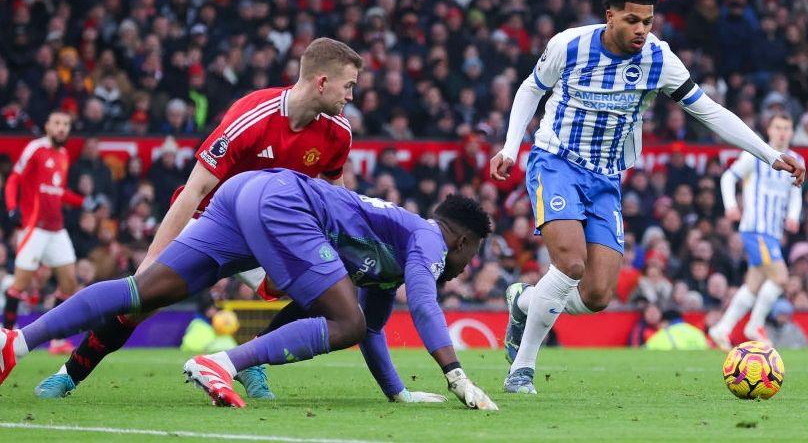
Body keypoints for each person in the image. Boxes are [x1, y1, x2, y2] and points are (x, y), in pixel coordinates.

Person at [489, 0, 804, 394]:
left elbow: (709, 111)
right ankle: (522, 370)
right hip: (556, 161)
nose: (641, 30)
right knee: (570, 262)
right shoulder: (569, 44)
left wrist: (769, 154)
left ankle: (524, 302)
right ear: (610, 16)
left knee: (598, 294)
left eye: (648, 22)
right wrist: (511, 147)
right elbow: (531, 89)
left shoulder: (659, 59)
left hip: (605, 177)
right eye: (632, 21)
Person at [1, 169, 498, 411]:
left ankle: (15, 341)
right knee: (341, 319)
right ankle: (225, 363)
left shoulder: (399, 249)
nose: (459, 270)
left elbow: (372, 328)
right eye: (468, 257)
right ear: (462, 240)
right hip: (284, 202)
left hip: (244, 194)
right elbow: (426, 302)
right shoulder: (430, 237)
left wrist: (398, 392)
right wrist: (455, 374)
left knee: (141, 291)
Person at [34, 38, 361, 400]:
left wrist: (343, 249)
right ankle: (68, 373)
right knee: (142, 301)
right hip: (212, 222)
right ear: (320, 82)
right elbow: (194, 190)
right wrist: (152, 261)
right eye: (348, 85)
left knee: (322, 295)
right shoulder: (253, 115)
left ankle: (245, 358)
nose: (351, 95)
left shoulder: (338, 132)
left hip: (267, 233)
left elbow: (335, 195)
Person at [708, 113, 803, 349]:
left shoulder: (797, 159)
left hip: (773, 232)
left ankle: (722, 328)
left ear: (791, 132)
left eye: (786, 128)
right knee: (781, 279)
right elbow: (729, 177)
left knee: (753, 285)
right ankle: (755, 324)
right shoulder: (755, 153)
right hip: (756, 229)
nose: (782, 132)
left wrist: (792, 216)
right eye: (778, 127)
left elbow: (796, 192)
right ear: (769, 130)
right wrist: (731, 205)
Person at [3, 112, 83, 354]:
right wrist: (11, 207)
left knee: (69, 283)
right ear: (48, 125)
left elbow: (58, 192)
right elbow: (13, 179)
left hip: (56, 229)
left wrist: (83, 201)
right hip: (34, 228)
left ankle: (57, 341)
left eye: (66, 124)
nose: (62, 128)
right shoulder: (35, 149)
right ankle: (6, 336)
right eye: (57, 123)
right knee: (20, 284)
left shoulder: (63, 155)